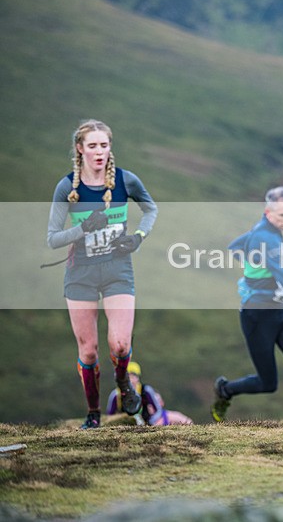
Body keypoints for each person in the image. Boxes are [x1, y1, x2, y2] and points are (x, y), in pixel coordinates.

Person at [47, 119, 158, 430]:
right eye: (93, 146)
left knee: (120, 345)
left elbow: (151, 210)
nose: (99, 152)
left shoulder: (126, 181)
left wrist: (137, 237)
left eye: (104, 145)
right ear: (80, 149)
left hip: (117, 270)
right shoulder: (67, 187)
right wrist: (82, 228)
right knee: (90, 350)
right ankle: (94, 414)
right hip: (80, 274)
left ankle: (123, 383)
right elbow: (52, 238)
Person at [211, 187, 283, 423]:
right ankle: (226, 389)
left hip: (281, 311)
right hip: (257, 317)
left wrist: (253, 269)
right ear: (267, 212)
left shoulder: (264, 231)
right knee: (268, 383)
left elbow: (234, 246)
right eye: (282, 215)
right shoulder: (265, 237)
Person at [107, 361, 193, 425]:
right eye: (128, 376)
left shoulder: (146, 390)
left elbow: (158, 409)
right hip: (124, 428)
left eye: (133, 376)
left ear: (138, 378)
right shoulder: (116, 395)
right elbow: (109, 416)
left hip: (146, 426)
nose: (131, 380)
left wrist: (152, 422)